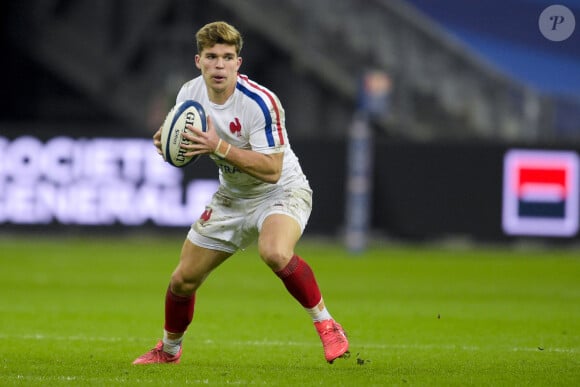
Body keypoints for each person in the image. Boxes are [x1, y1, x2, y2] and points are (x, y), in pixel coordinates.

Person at [133, 21, 349, 365]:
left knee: (275, 252)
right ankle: (169, 351)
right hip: (232, 197)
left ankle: (327, 325)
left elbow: (271, 169)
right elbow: (179, 139)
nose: (219, 65)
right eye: (212, 56)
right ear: (198, 61)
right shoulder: (189, 94)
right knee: (182, 280)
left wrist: (217, 146)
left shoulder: (261, 103)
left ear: (238, 63)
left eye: (227, 57)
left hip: (280, 191)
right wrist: (166, 142)